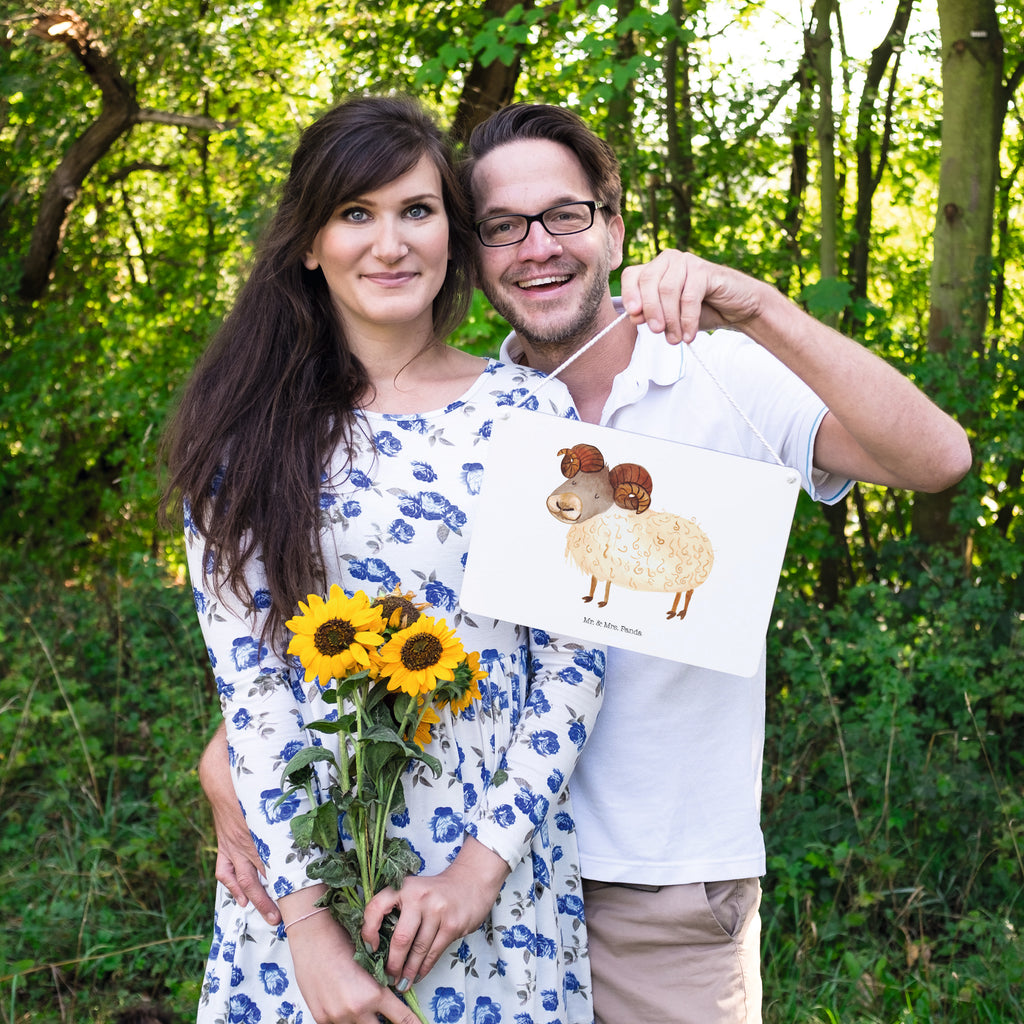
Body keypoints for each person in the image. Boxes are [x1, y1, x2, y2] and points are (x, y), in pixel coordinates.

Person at [202, 102, 973, 1024]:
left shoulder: (706, 375)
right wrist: (234, 757)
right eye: (503, 226)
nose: (537, 247)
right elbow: (334, 626)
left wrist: (758, 305)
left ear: (614, 226)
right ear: (474, 247)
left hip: (649, 887)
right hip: (417, 869)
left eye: (564, 215)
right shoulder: (471, 416)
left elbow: (938, 459)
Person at [163, 96, 608, 1024]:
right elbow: (252, 688)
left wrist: (478, 873)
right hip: (303, 877)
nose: (391, 243)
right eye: (355, 213)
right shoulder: (245, 437)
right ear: (309, 243)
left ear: (453, 231)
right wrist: (310, 935)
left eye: (417, 210)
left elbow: (575, 660)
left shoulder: (531, 414)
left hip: (492, 880)